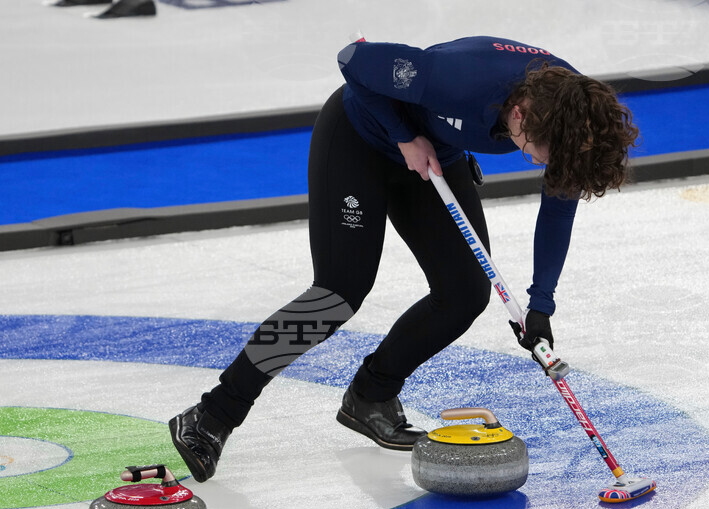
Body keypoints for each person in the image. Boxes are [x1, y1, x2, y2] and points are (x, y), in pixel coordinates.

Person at [129, 36, 639, 484]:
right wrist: (402, 135)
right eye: (532, 151)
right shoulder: (457, 79)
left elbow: (557, 212)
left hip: (435, 156)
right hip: (361, 139)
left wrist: (540, 305)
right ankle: (212, 415)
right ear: (521, 116)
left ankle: (371, 395)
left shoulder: (574, 116)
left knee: (464, 292)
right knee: (338, 292)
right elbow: (355, 61)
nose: (532, 160)